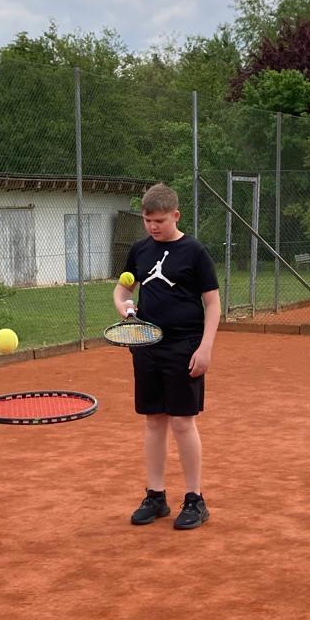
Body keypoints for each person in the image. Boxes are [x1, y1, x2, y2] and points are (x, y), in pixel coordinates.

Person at [115, 183, 220, 531]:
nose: (153, 227)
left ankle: (195, 499)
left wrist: (205, 347)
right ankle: (156, 496)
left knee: (182, 422)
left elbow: (213, 303)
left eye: (159, 220)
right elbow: (123, 289)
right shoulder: (140, 250)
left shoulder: (194, 252)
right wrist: (124, 307)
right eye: (147, 221)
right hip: (146, 344)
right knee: (154, 420)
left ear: (176, 215)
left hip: (184, 346)